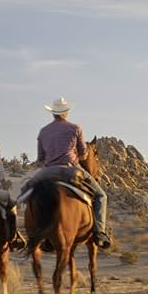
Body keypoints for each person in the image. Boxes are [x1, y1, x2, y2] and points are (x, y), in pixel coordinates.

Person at [36, 97, 111, 248]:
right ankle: (99, 232)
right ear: (66, 112)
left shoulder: (43, 131)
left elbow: (41, 158)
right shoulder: (75, 128)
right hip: (70, 169)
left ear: (53, 113)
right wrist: (77, 155)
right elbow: (83, 154)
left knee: (34, 195)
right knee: (101, 195)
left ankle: (41, 233)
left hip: (48, 171)